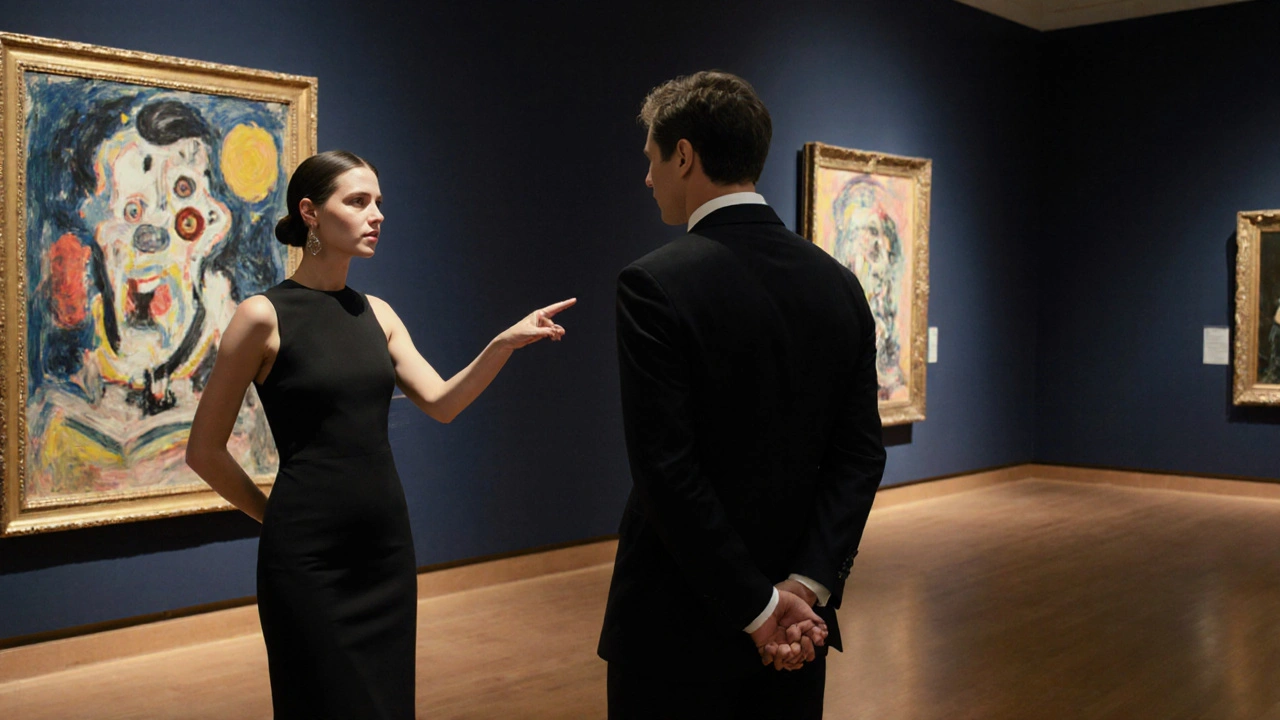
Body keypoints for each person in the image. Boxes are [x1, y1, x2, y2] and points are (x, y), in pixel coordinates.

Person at [185, 150, 574, 719]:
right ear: (310, 213)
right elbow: (204, 451)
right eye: (358, 201)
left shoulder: (379, 315)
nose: (377, 215)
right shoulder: (263, 316)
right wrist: (276, 518)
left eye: (380, 203)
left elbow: (442, 403)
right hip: (307, 559)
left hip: (384, 549)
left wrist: (501, 345)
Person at [597, 71, 887, 719]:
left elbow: (667, 468)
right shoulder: (839, 284)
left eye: (651, 159)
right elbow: (861, 454)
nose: (648, 179)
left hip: (678, 623)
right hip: (799, 630)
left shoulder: (654, 282)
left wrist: (757, 609)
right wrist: (804, 590)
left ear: (684, 155)